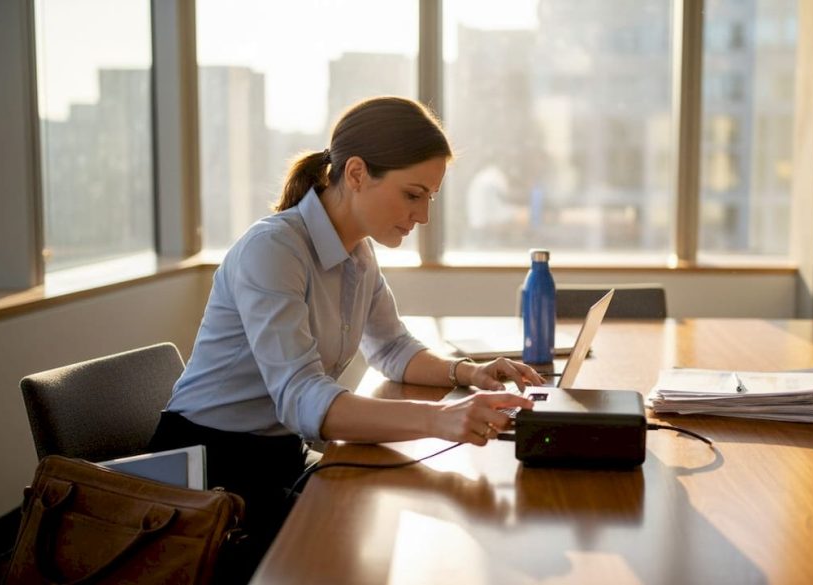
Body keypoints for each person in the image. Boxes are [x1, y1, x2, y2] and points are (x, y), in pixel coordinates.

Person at [149, 96, 541, 578]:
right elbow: (301, 397)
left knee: (403, 517)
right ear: (356, 174)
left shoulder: (358, 253)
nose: (423, 217)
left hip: (277, 458)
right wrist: (441, 419)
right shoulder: (273, 249)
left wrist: (468, 372)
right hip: (212, 476)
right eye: (412, 194)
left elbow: (392, 347)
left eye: (430, 199)